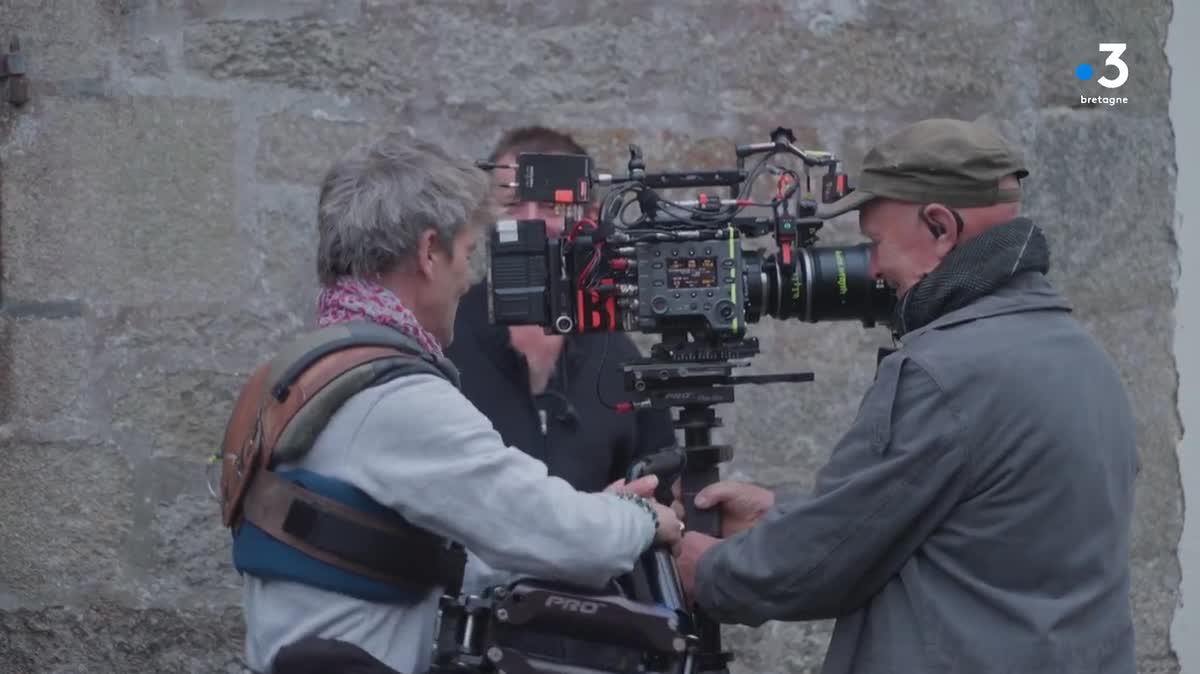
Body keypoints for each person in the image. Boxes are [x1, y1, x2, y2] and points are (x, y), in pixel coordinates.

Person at [671, 118, 1139, 673]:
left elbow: (824, 564)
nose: (871, 268)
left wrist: (705, 570)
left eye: (875, 243)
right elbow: (955, 524)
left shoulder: (943, 371)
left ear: (940, 228)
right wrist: (780, 511)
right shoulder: (1081, 356)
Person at [218, 134, 682, 674]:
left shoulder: (304, 371)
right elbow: (548, 529)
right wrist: (639, 520)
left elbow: (427, 550)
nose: (468, 278)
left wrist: (599, 516)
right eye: (465, 254)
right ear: (428, 252)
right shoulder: (397, 399)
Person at [443, 127, 681, 670]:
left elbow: (663, 502)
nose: (531, 219)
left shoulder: (622, 356)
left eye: (551, 203)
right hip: (467, 646)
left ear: (587, 218)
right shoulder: (443, 344)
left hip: (596, 652)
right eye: (512, 201)